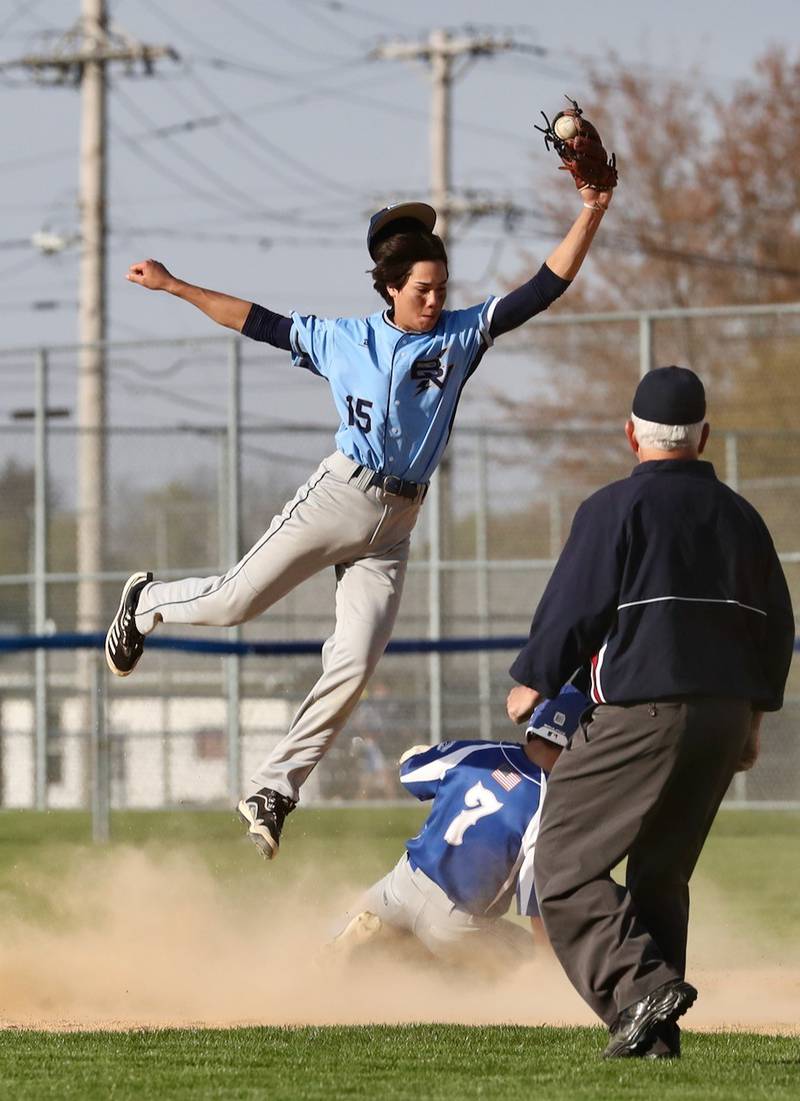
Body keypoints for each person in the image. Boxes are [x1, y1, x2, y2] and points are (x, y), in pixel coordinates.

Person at [105, 186, 612, 861]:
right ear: (393, 289)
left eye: (441, 287)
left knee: (355, 659)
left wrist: (592, 210)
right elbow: (255, 320)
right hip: (340, 496)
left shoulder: (462, 336)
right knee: (233, 601)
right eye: (423, 289)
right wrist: (174, 286)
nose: (436, 299)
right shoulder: (345, 339)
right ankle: (146, 601)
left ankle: (272, 789)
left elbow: (545, 285)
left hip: (397, 523)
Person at [505, 366, 794, 1058]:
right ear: (704, 437)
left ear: (630, 434)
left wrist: (533, 680)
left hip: (644, 709)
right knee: (661, 873)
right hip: (723, 717)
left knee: (564, 863)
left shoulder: (614, 508)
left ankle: (638, 989)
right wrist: (752, 719)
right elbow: (776, 625)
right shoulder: (741, 516)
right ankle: (652, 1032)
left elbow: (578, 605)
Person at [331, 684, 590, 970]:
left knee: (341, 932)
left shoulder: (479, 751)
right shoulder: (550, 804)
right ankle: (409, 953)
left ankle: (378, 940)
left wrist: (417, 756)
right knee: (523, 960)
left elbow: (410, 774)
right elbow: (537, 903)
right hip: (454, 924)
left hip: (401, 884)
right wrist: (547, 967)